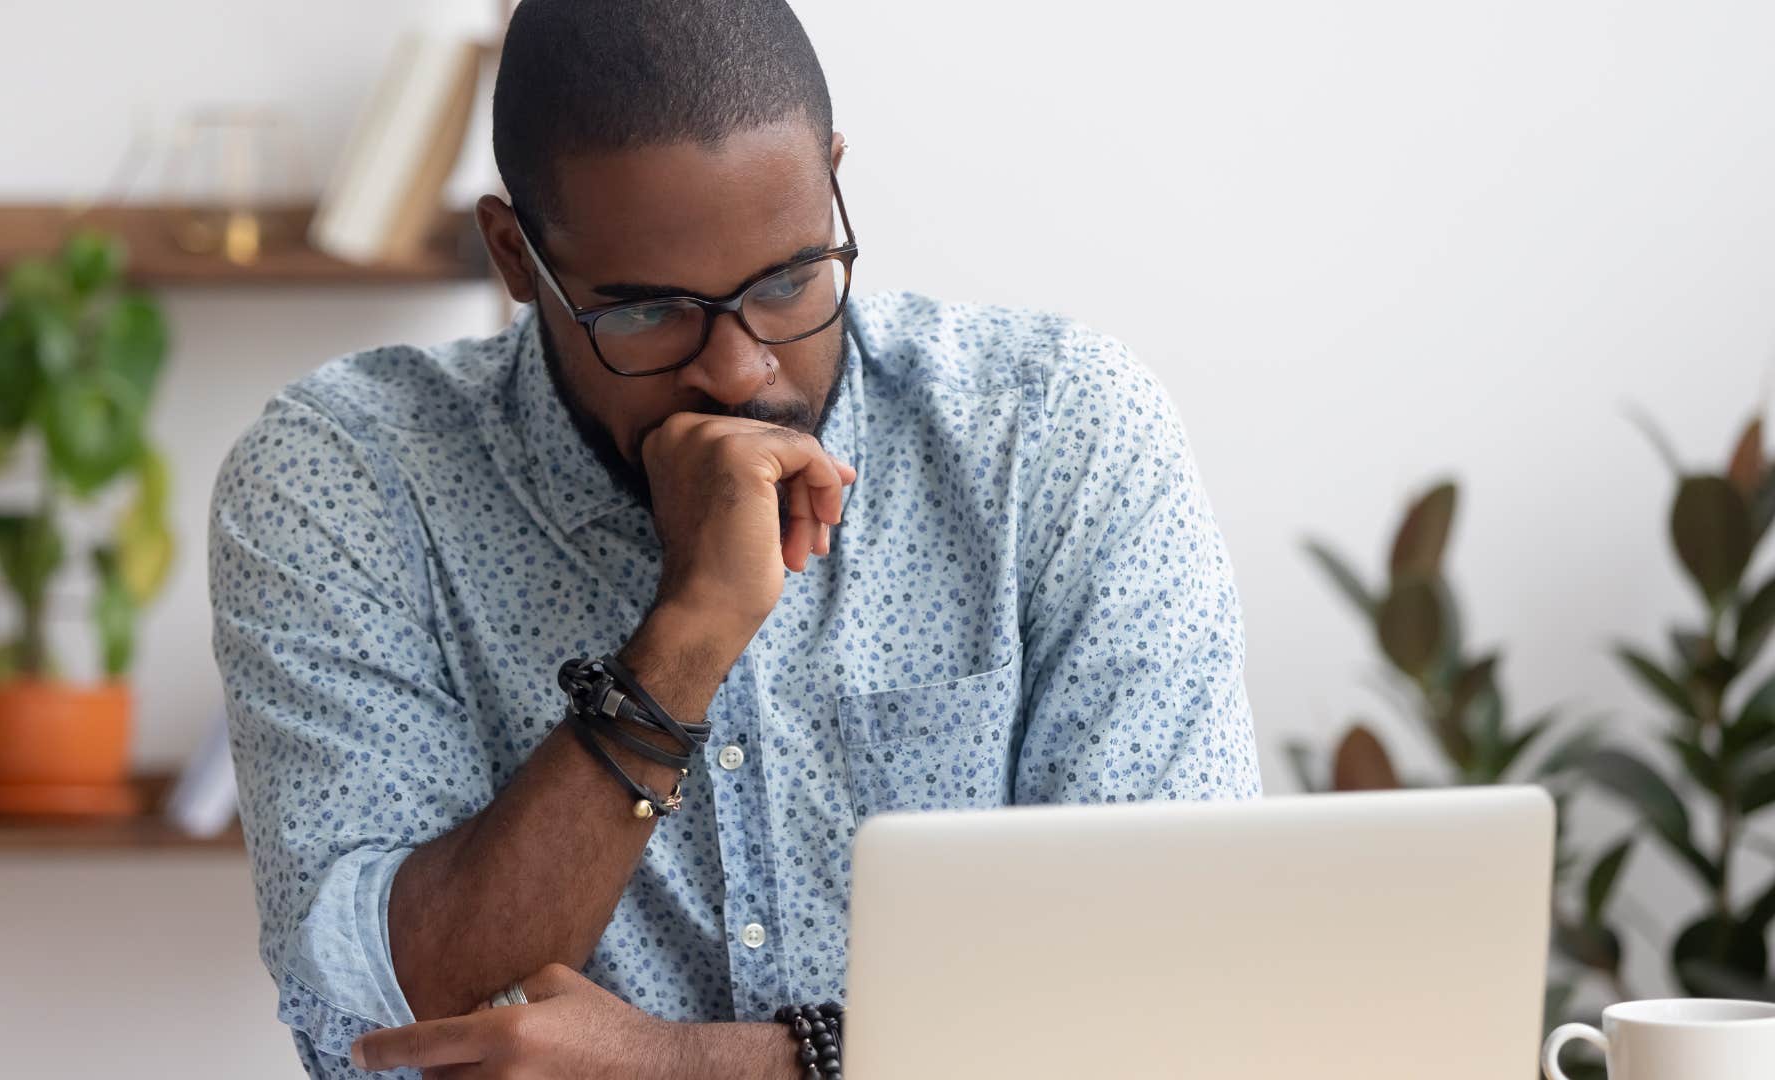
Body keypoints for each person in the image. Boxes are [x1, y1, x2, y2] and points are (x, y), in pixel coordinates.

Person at [207, 1, 1260, 1076]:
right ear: (516, 258)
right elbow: (390, 1033)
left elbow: (1177, 991)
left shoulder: (1054, 436)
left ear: (833, 179)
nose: (740, 370)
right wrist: (690, 632)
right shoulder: (349, 478)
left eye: (789, 281)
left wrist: (695, 1067)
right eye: (648, 312)